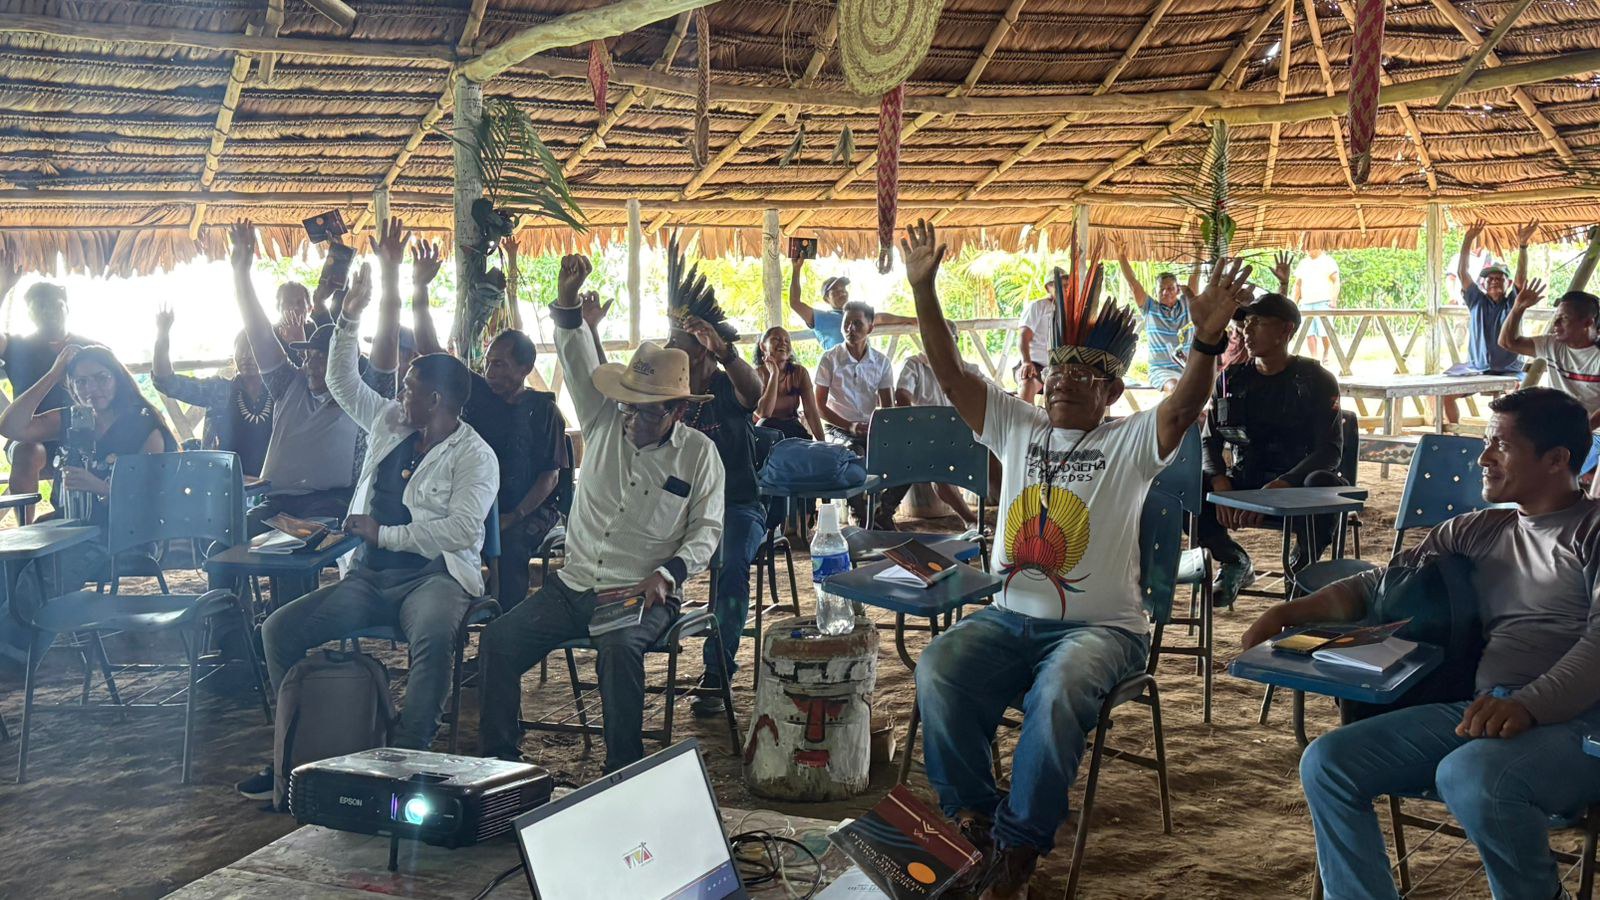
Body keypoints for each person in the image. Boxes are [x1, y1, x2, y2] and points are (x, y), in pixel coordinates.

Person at [900, 219, 1252, 898]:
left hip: (1104, 632)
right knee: (939, 664)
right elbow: (949, 372)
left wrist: (1206, 340)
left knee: (1058, 691)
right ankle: (974, 818)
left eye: (1087, 371)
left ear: (1113, 390)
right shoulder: (1016, 425)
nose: (1066, 378)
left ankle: (1018, 848)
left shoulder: (1130, 442)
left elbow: (1184, 407)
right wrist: (924, 289)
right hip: (1008, 618)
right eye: (1059, 366)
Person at [1242, 387, 1600, 900]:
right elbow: (1385, 585)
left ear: (1557, 459)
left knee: (1471, 774)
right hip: (1483, 711)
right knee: (1329, 763)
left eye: (1500, 443)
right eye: (1485, 441)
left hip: (1579, 724)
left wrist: (1531, 704)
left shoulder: (1592, 531)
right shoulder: (1478, 530)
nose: (1483, 456)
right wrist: (1290, 611)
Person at [236, 263, 499, 799]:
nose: (401, 392)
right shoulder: (390, 422)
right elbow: (341, 380)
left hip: (434, 578)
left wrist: (383, 535)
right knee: (278, 630)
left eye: (410, 388)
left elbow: (458, 531)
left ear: (438, 402)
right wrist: (349, 316)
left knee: (432, 637)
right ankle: (302, 749)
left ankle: (408, 758)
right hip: (368, 579)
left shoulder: (476, 455)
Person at [478, 254, 724, 773]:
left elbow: (707, 530)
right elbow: (574, 357)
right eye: (630, 405)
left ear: (678, 410)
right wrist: (567, 302)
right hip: (573, 586)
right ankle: (500, 765)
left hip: (640, 591)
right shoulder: (603, 421)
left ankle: (623, 773)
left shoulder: (699, 454)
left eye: (649, 410)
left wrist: (669, 573)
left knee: (617, 650)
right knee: (498, 641)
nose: (633, 417)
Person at [400, 227, 568, 613]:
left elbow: (550, 477)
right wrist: (420, 291)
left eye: (502, 365)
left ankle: (504, 633)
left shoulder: (544, 410)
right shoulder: (477, 393)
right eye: (489, 362)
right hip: (475, 504)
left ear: (526, 368)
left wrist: (513, 516)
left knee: (508, 548)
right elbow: (432, 353)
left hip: (528, 510)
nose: (491, 371)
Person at [0, 344, 177, 669]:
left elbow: (154, 501)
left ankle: (15, 656)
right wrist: (54, 373)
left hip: (118, 533)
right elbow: (10, 427)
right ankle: (12, 651)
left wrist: (100, 487)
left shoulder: (143, 425)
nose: (91, 389)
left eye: (100, 379)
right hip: (66, 526)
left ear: (118, 379)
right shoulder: (74, 418)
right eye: (80, 382)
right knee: (6, 565)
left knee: (38, 575)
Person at [654, 239, 765, 717]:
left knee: (731, 563)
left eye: (678, 345)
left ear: (700, 352)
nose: (669, 350)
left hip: (738, 508)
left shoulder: (724, 386)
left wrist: (725, 352)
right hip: (677, 510)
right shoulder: (665, 393)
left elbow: (755, 392)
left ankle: (717, 668)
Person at [229, 220, 396, 538]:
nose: (311, 364)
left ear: (344, 364)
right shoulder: (288, 385)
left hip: (332, 503)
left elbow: (387, 346)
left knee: (296, 546)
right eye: (309, 356)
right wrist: (241, 272)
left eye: (323, 358)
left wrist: (390, 276)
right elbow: (258, 331)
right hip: (275, 503)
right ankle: (234, 591)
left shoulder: (363, 398)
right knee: (223, 548)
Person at [1202, 292, 1345, 607]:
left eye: (1258, 323)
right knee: (1186, 486)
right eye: (1246, 323)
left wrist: (1284, 484)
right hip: (1245, 487)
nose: (1247, 332)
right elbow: (1209, 440)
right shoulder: (1230, 379)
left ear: (1285, 331)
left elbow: (1329, 450)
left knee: (1326, 484)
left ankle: (1303, 566)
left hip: (1296, 488)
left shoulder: (1316, 380)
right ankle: (1233, 560)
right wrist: (1219, 482)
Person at [0, 255, 93, 523]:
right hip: (29, 434)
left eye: (54, 305)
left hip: (78, 433)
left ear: (66, 307)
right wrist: (5, 287)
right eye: (38, 307)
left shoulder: (88, 347)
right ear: (29, 314)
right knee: (27, 451)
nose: (47, 311)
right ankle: (25, 531)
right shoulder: (18, 347)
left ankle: (82, 521)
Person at [152, 309, 273, 477]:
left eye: (253, 350)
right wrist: (162, 335)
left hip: (271, 481)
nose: (247, 357)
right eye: (241, 350)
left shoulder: (279, 391)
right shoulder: (218, 390)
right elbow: (166, 382)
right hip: (223, 481)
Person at [894, 319, 983, 529]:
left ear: (955, 342)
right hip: (928, 436)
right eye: (931, 339)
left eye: (944, 340)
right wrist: (918, 425)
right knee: (938, 467)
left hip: (965, 434)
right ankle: (970, 519)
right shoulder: (914, 365)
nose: (937, 345)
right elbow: (901, 395)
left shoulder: (968, 369)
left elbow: (994, 393)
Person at [1442, 219, 1533, 424]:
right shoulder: (1476, 301)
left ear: (1507, 283)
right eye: (1490, 279)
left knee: (1516, 404)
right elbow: (1462, 273)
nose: (1494, 282)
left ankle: (1504, 439)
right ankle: (1455, 435)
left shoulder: (1512, 302)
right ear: (1484, 284)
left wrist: (1523, 246)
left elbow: (1521, 276)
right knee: (1445, 396)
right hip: (1478, 369)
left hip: (1510, 370)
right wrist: (1467, 242)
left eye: (1499, 278)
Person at [814, 301, 896, 528]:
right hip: (837, 428)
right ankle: (859, 515)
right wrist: (849, 426)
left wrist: (878, 428)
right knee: (853, 454)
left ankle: (884, 511)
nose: (850, 329)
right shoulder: (830, 359)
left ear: (870, 328)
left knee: (908, 456)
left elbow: (888, 406)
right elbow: (819, 405)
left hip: (871, 428)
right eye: (846, 323)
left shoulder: (881, 362)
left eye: (857, 324)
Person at [786, 246, 914, 352]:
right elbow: (795, 303)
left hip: (863, 368)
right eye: (835, 291)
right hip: (837, 370)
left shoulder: (859, 313)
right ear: (826, 299)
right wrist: (796, 270)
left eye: (843, 289)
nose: (841, 292)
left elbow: (880, 318)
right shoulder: (820, 318)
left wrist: (913, 320)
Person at [1114, 240, 1197, 392]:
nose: (1166, 292)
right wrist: (1121, 256)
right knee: (1176, 388)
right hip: (1162, 370)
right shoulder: (1150, 308)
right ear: (1156, 291)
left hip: (1188, 367)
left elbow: (1194, 280)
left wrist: (1198, 254)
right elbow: (1133, 282)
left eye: (1170, 288)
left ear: (1178, 290)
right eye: (1162, 289)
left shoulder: (1187, 304)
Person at [753, 326, 825, 441]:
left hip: (792, 428)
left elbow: (811, 411)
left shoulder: (799, 372)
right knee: (764, 424)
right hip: (765, 433)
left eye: (787, 341)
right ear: (762, 346)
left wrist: (823, 443)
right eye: (776, 339)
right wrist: (774, 374)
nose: (783, 343)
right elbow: (764, 413)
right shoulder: (755, 375)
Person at [1292, 248, 1340, 364]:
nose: (1308, 249)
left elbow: (1336, 281)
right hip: (1306, 302)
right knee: (1309, 332)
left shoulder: (1328, 261)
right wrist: (1294, 302)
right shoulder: (1303, 263)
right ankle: (1314, 358)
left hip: (1323, 301)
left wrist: (1333, 299)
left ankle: (1326, 352)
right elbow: (1298, 284)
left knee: (1325, 332)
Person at [1015, 282, 1058, 405]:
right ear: (1048, 288)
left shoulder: (1070, 311)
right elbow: (1023, 336)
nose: (1063, 288)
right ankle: (1024, 420)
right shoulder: (1037, 306)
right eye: (1058, 284)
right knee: (1027, 382)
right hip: (1035, 364)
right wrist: (1026, 362)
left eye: (1067, 285)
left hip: (1058, 368)